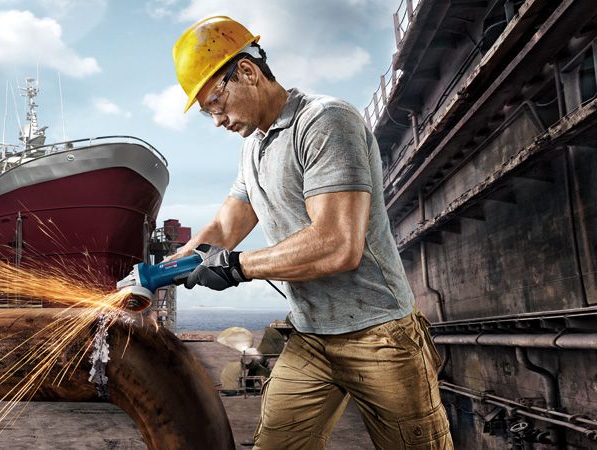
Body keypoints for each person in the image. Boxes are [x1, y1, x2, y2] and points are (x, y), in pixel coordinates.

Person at [167, 16, 454, 450]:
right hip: (310, 336)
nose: (217, 120)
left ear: (246, 71)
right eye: (209, 111)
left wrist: (238, 266)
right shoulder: (254, 146)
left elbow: (337, 245)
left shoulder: (324, 121)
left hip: (379, 337)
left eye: (215, 103)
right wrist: (164, 272)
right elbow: (226, 226)